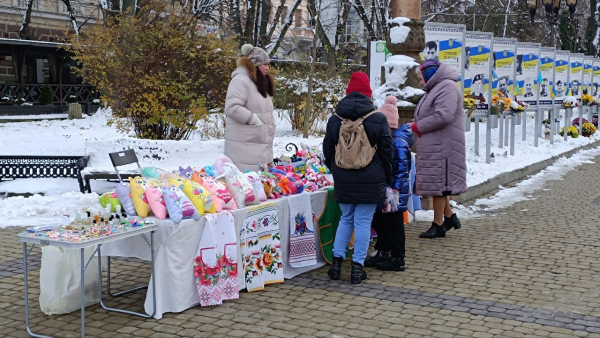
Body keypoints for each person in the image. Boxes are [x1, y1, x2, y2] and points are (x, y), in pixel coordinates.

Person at [323, 72, 394, 284]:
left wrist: (336, 169)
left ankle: (336, 265)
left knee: (346, 219)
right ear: (368, 95)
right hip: (371, 178)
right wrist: (385, 177)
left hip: (343, 177)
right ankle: (357, 267)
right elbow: (387, 151)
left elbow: (327, 148)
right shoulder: (378, 118)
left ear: (347, 93)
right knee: (363, 221)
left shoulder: (335, 119)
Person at [410, 60, 467, 239]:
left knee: (439, 186)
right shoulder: (437, 87)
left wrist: (418, 126)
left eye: (421, 78)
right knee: (437, 183)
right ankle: (449, 217)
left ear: (430, 75)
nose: (420, 83)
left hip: (444, 146)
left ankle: (438, 225)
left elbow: (443, 115)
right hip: (437, 144)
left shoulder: (446, 88)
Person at [364, 95, 412, 272]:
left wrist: (395, 189)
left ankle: (398, 257)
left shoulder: (398, 142)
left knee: (394, 224)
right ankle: (383, 251)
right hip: (385, 189)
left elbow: (401, 168)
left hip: (394, 192)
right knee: (381, 220)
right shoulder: (386, 139)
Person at [224, 44, 275, 172]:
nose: (267, 68)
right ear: (255, 65)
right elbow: (232, 107)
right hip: (244, 147)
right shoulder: (240, 81)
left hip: (259, 146)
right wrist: (252, 118)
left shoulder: (258, 82)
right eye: (265, 64)